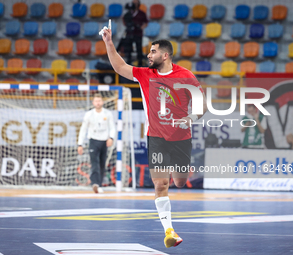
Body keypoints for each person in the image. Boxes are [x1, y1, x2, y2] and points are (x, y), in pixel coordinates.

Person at [102, 27, 207, 248]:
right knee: (160, 184)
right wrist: (109, 42)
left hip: (181, 137)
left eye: (152, 52)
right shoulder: (144, 74)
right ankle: (169, 231)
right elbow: (120, 66)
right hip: (156, 137)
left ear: (165, 55)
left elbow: (202, 105)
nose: (148, 55)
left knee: (179, 181)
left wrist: (190, 117)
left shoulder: (185, 76)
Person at [77, 93, 116, 194]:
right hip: (93, 141)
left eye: (99, 101)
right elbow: (83, 129)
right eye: (96, 101)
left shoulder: (107, 114)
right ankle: (95, 184)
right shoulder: (89, 114)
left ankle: (99, 184)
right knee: (95, 163)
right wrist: (80, 144)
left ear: (102, 102)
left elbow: (112, 127)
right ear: (93, 102)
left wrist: (111, 138)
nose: (98, 103)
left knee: (102, 163)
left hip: (104, 141)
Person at [122, 0, 148, 66]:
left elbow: (146, 22)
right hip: (129, 33)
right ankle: (128, 63)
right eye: (133, 3)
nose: (134, 5)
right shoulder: (128, 13)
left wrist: (141, 27)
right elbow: (124, 20)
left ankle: (140, 63)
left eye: (136, 3)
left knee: (139, 49)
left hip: (138, 33)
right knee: (128, 49)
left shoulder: (142, 13)